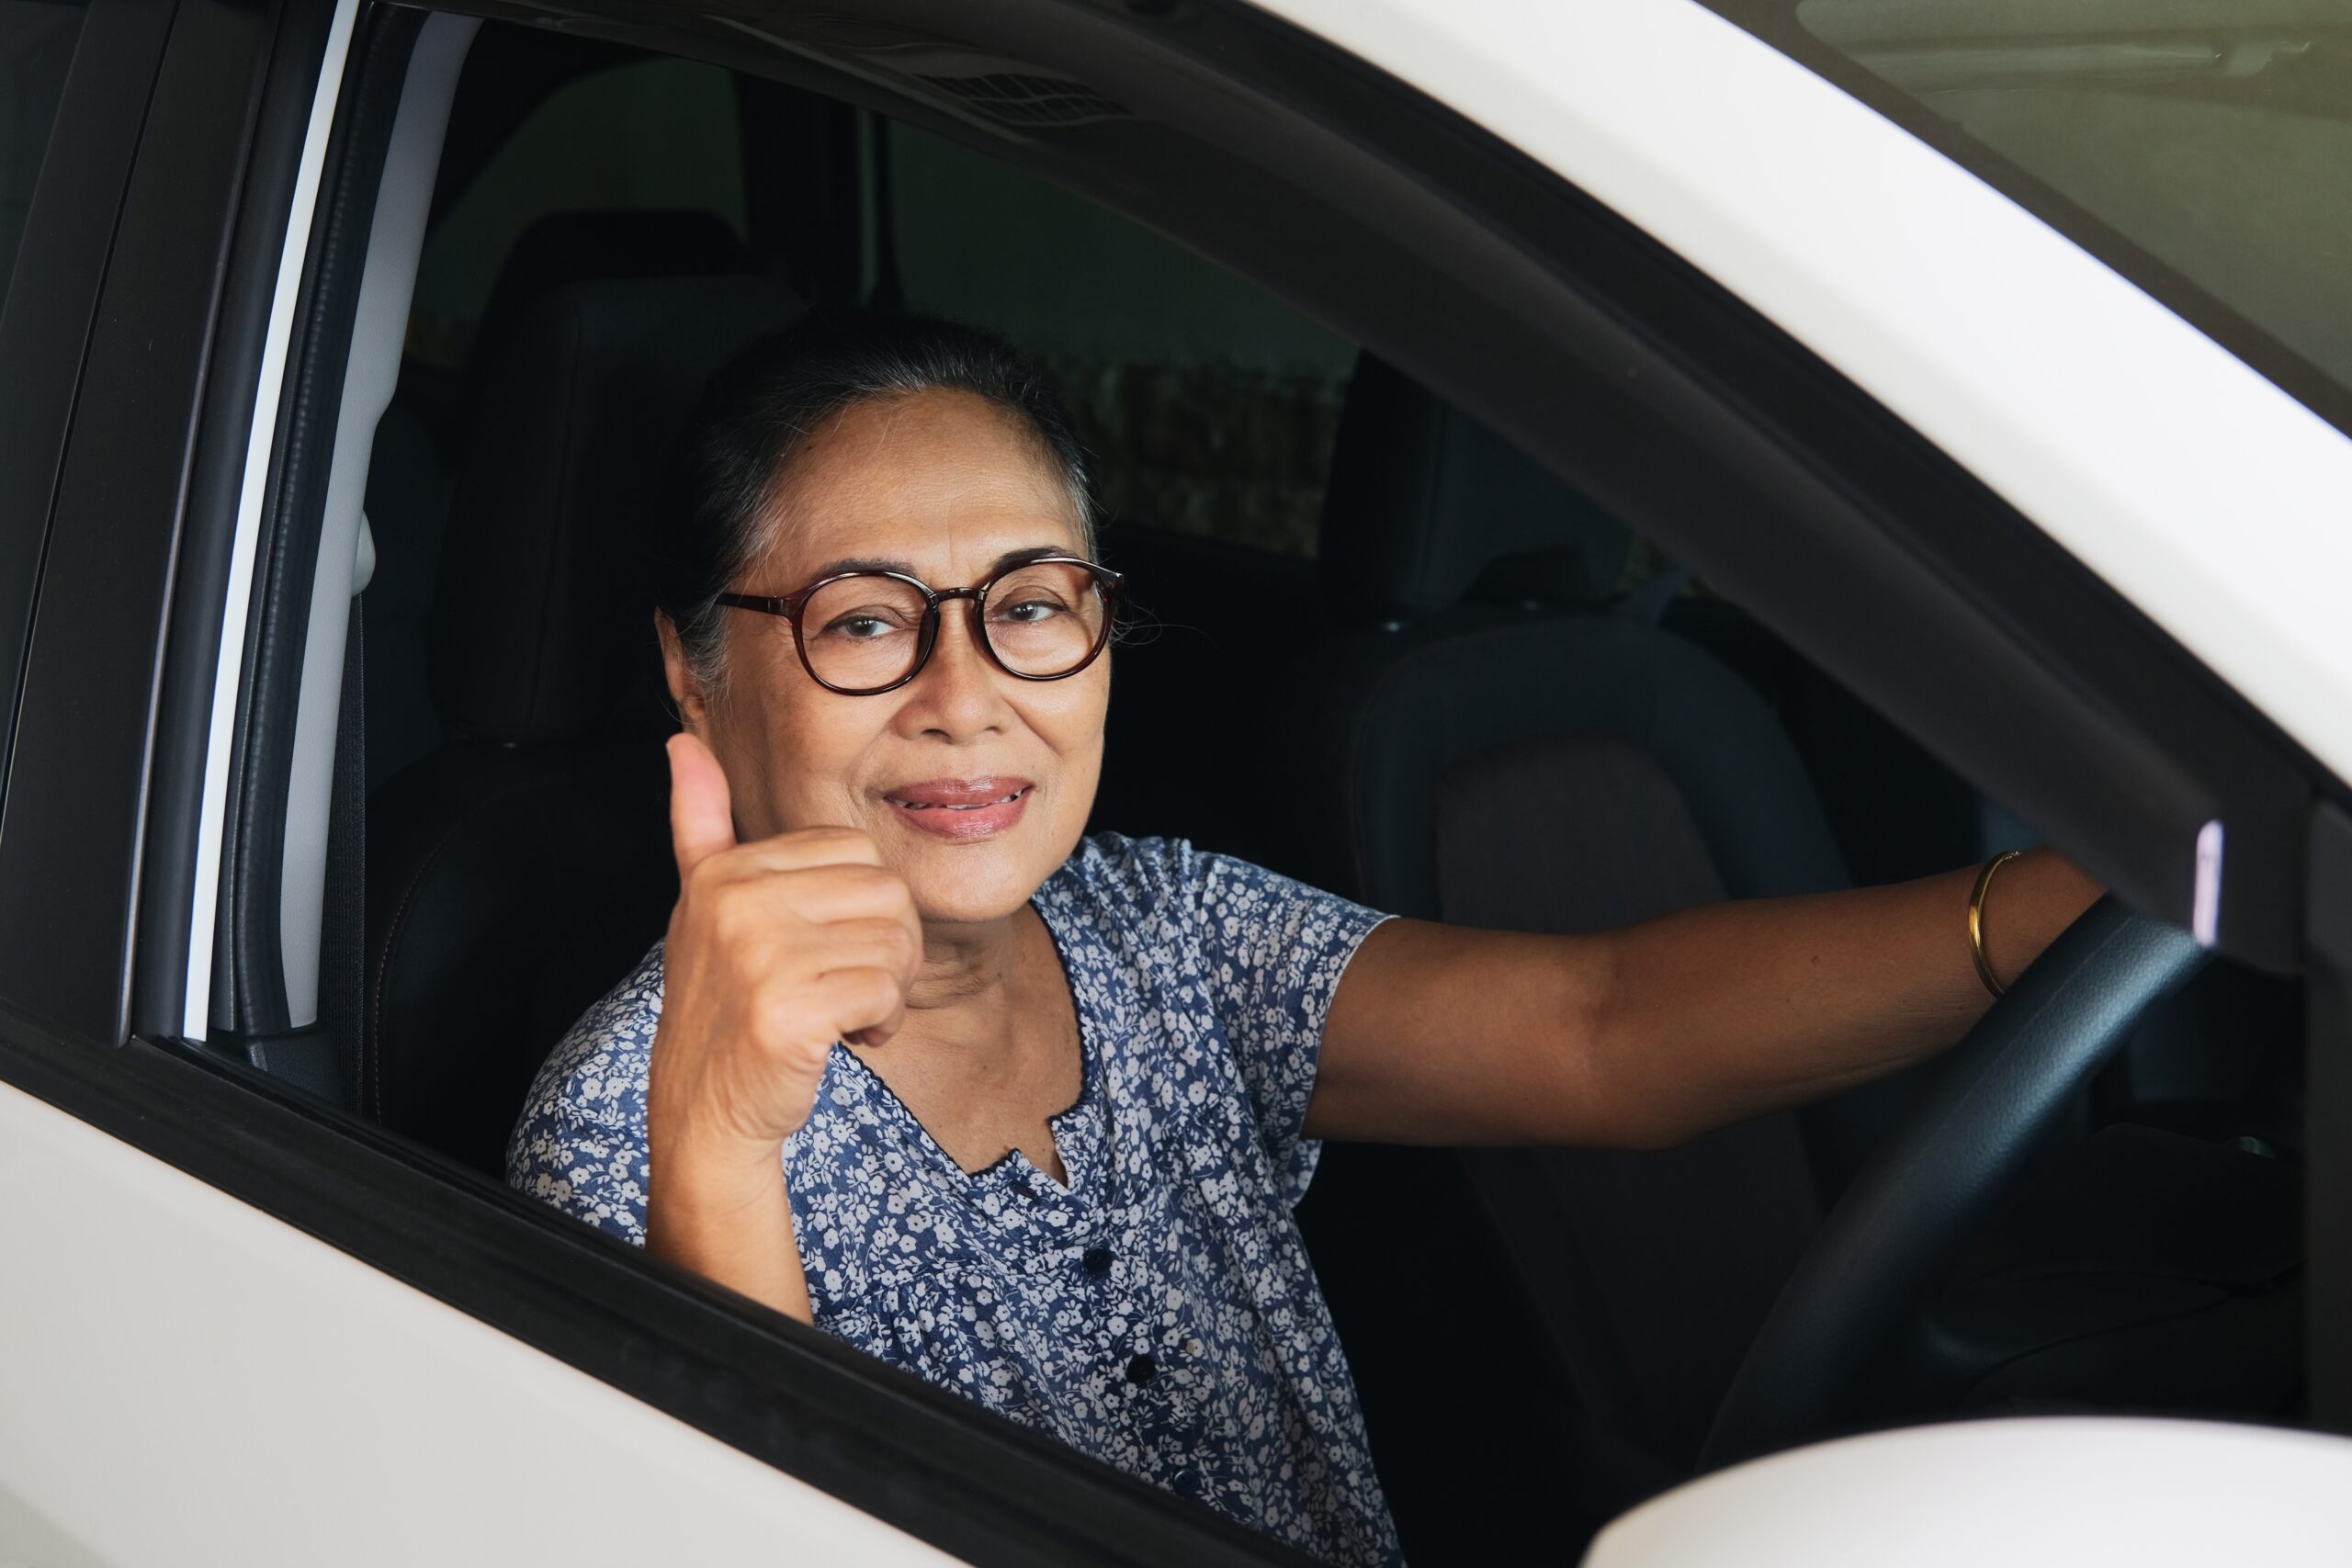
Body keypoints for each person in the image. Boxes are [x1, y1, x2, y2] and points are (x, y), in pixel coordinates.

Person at [508, 312, 2101, 1566]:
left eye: (1034, 602)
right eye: (865, 619)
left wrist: (2047, 912)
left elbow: (1597, 1028)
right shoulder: (627, 1124)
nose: (967, 692)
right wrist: (717, 1139)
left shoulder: (1153, 927)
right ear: (695, 666)